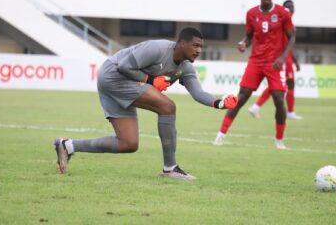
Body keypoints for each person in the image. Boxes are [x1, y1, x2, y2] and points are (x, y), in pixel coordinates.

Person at [54, 28, 238, 180]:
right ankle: (170, 168)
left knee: (128, 143)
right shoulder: (158, 49)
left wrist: (220, 103)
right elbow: (123, 66)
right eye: (195, 45)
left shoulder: (186, 67)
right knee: (167, 107)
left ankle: (68, 145)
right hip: (112, 75)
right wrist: (151, 80)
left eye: (201, 47)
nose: (199, 50)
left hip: (121, 82)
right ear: (182, 43)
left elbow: (198, 93)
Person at [213, 0, 295, 150]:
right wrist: (244, 43)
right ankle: (220, 135)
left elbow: (292, 37)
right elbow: (249, 36)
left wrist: (282, 57)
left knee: (279, 99)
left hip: (275, 63)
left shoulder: (282, 13)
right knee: (241, 97)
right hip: (256, 61)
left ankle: (279, 140)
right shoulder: (251, 14)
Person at [248, 0, 302, 121]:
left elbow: (288, 43)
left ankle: (256, 107)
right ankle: (290, 112)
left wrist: (295, 60)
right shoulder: (281, 21)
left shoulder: (286, 21)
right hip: (281, 59)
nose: (290, 8)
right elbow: (284, 43)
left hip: (285, 58)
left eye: (292, 6)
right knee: (285, 84)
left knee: (280, 85)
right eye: (287, 6)